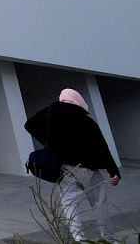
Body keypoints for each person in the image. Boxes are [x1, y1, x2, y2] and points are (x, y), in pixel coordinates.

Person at [25, 88, 121, 242]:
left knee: (69, 204)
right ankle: (109, 239)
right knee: (99, 202)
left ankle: (79, 239)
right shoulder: (85, 120)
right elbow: (102, 147)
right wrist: (113, 171)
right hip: (86, 168)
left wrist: (48, 142)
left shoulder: (49, 113)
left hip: (63, 168)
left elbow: (29, 124)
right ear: (78, 101)